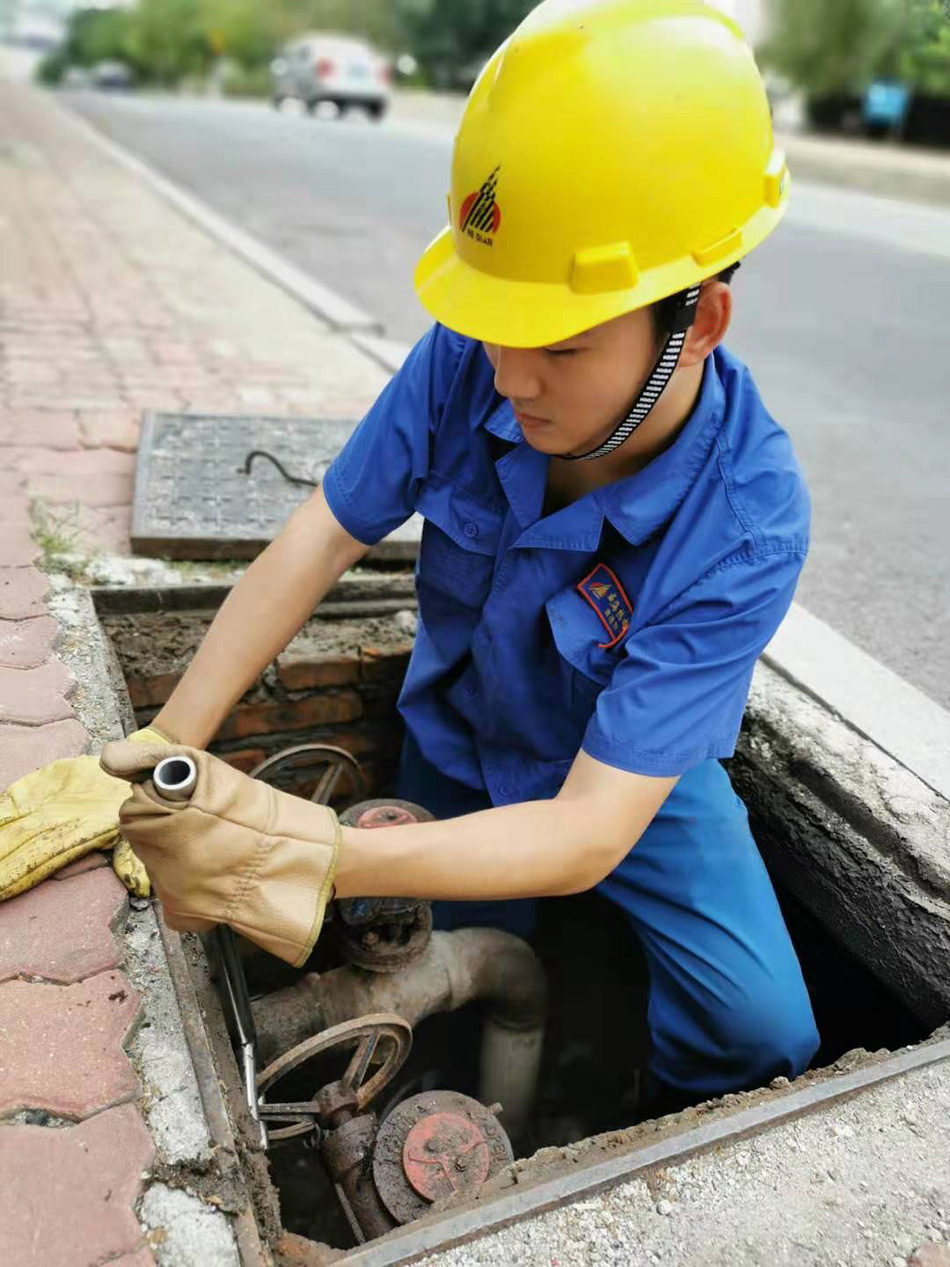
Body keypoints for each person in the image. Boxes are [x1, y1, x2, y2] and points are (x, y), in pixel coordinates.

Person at [2, 0, 820, 1109]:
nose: (512, 374)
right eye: (497, 327)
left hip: (631, 777)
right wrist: (167, 739)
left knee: (757, 1026)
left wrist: (304, 850)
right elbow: (321, 533)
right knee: (460, 967)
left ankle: (625, 1116)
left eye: (560, 346)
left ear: (699, 320)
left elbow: (583, 832)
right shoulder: (467, 361)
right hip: (462, 734)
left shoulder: (748, 517)